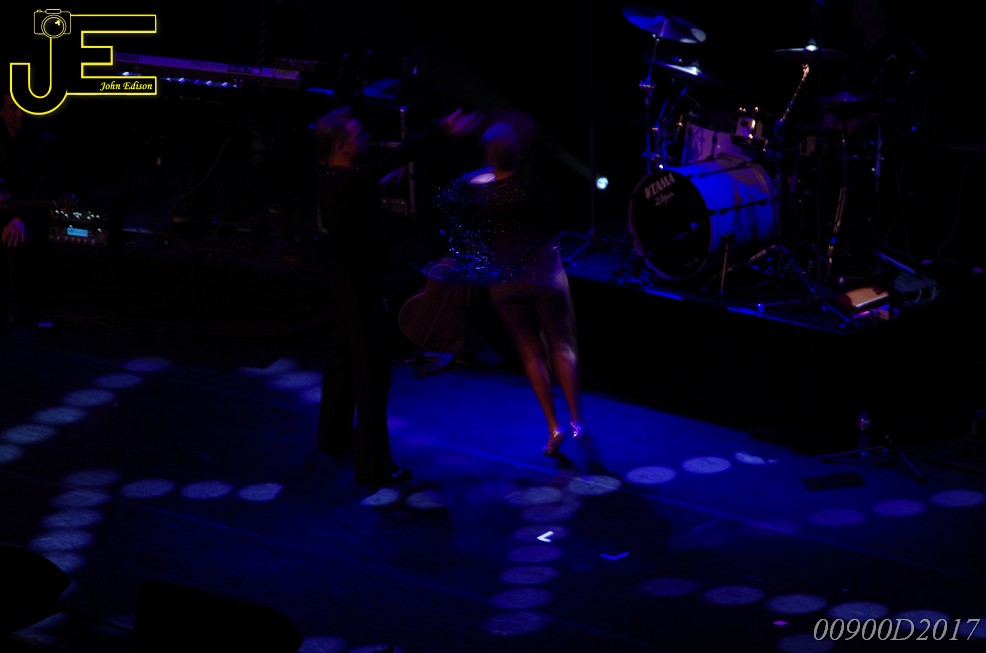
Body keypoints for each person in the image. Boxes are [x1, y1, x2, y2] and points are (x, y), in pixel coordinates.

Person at [307, 102, 481, 488]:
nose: (364, 138)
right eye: (357, 134)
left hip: (346, 282)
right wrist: (441, 129)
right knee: (372, 376)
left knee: (343, 361)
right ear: (341, 145)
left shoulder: (332, 176)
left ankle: (332, 433)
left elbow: (362, 187)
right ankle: (374, 467)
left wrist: (378, 183)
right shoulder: (349, 182)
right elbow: (396, 158)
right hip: (360, 287)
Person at [431, 113, 585, 456]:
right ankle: (577, 421)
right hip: (544, 275)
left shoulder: (476, 193)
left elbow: (454, 192)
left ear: (488, 158)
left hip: (505, 282)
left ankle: (553, 427)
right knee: (562, 346)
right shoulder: (530, 187)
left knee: (531, 354)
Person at [1, 90, 61, 329]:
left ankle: (16, 305)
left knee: (14, 240)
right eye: (13, 108)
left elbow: (45, 189)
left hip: (29, 213)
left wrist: (21, 219)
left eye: (23, 108)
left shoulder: (44, 142)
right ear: (2, 112)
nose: (20, 114)